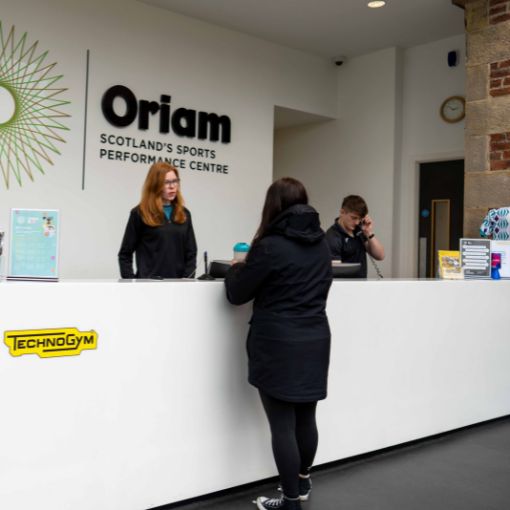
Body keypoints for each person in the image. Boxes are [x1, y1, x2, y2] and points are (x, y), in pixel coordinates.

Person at [224, 178, 333, 510]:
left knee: (282, 425)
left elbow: (236, 294)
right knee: (306, 417)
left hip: (277, 342)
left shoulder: (270, 245)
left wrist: (234, 271)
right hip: (316, 337)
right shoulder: (322, 244)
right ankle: (301, 483)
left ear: (273, 206)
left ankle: (289, 501)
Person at [118, 162, 197, 279]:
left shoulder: (185, 214)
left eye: (175, 181)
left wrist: (186, 280)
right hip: (148, 288)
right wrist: (132, 284)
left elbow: (191, 252)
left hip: (178, 287)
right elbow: (125, 254)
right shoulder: (139, 213)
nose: (172, 186)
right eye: (166, 182)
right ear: (155, 184)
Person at [325, 194, 385, 278]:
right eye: (354, 218)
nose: (357, 222)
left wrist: (368, 232)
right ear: (342, 212)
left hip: (361, 287)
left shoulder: (359, 230)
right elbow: (336, 273)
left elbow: (380, 256)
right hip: (344, 289)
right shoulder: (333, 236)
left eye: (360, 219)